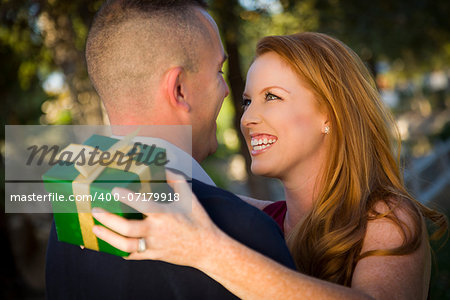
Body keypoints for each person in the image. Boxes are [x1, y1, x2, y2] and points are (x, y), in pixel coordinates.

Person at [93, 32, 448, 300]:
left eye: (272, 97)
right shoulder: (254, 218)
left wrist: (208, 252)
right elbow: (151, 183)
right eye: (247, 101)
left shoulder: (386, 219)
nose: (248, 118)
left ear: (330, 113)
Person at [45, 1, 296, 299]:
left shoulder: (67, 217)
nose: (228, 89)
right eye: (219, 70)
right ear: (179, 90)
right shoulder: (242, 229)